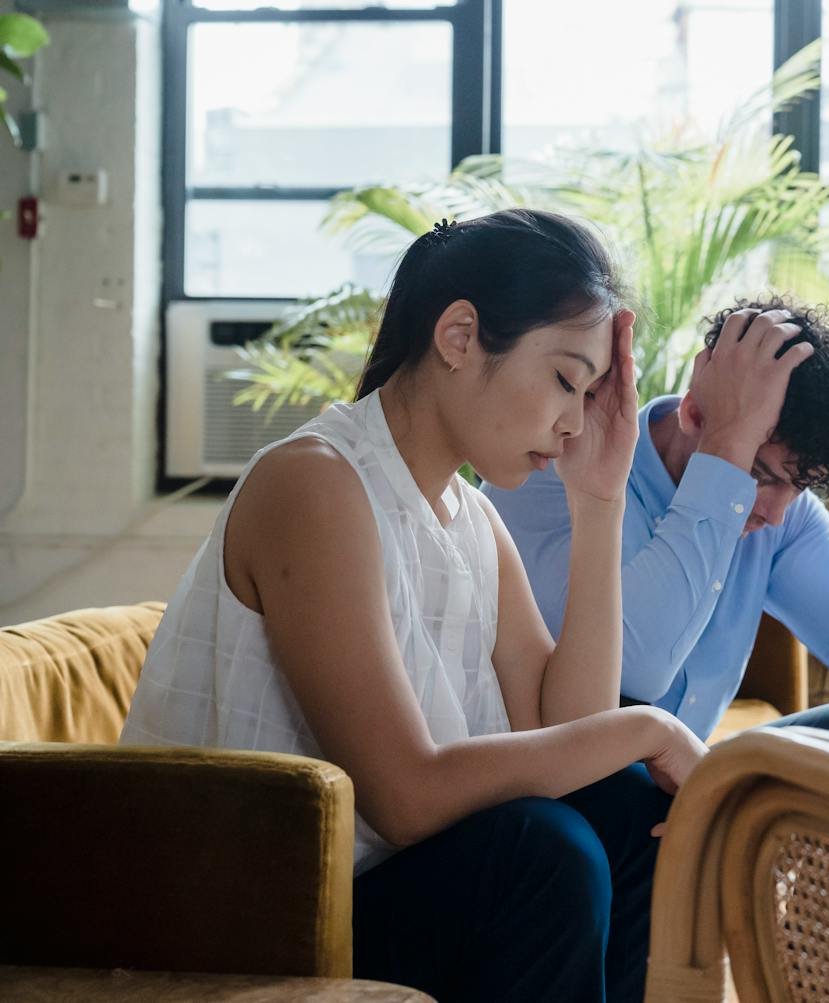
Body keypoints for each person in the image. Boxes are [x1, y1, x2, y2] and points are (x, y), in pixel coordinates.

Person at [121, 209, 707, 1003]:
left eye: (591, 393)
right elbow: (405, 794)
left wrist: (599, 500)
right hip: (256, 914)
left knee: (632, 818)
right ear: (460, 336)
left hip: (384, 892)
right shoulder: (317, 483)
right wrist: (653, 726)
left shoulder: (469, 518)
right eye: (567, 380)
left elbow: (566, 730)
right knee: (544, 854)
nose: (575, 421)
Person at [484, 295, 829, 758]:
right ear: (693, 414)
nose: (775, 514)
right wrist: (730, 449)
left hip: (687, 776)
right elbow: (635, 676)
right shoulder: (562, 464)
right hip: (575, 775)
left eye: (801, 487)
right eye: (759, 476)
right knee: (624, 738)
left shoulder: (782, 515)